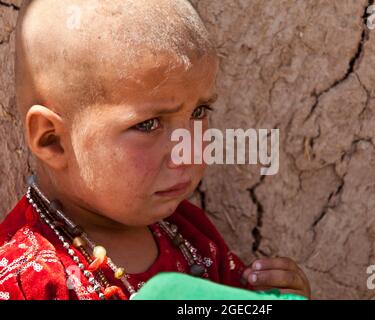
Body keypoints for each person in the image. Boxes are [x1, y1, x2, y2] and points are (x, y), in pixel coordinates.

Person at [0, 0, 310, 300]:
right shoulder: (29, 278)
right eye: (148, 125)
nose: (189, 151)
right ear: (52, 140)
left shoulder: (190, 234)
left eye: (199, 112)